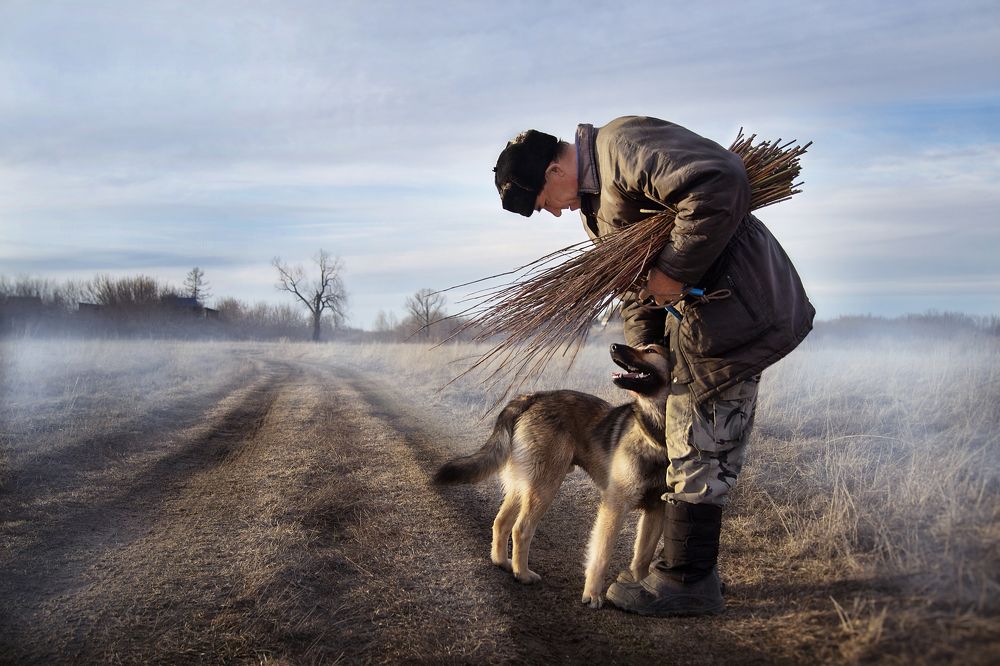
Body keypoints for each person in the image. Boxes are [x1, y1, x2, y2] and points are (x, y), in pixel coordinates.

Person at [492, 116, 814, 616]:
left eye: (542, 203)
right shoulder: (597, 207)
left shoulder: (623, 145)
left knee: (703, 445)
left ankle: (686, 582)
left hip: (735, 315)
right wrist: (648, 356)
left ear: (555, 170)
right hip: (700, 328)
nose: (553, 213)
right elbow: (635, 288)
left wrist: (671, 271)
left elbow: (722, 180)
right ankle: (686, 572)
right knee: (688, 445)